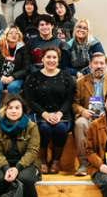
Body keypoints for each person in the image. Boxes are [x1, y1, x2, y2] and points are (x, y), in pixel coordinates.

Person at [23, 46, 75, 174]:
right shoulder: (33, 77)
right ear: (42, 59)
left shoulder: (67, 76)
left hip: (61, 113)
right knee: (44, 129)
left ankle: (56, 160)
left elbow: (69, 100)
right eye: (48, 57)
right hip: (39, 114)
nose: (51, 60)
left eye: (54, 57)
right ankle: (42, 160)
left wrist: (59, 114)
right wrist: (45, 114)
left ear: (58, 59)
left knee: (60, 129)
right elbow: (29, 101)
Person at [0, 26, 32, 121]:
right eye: (11, 33)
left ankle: (14, 116)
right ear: (6, 35)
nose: (14, 35)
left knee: (14, 87)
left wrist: (13, 77)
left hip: (15, 78)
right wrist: (0, 76)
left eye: (16, 33)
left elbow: (26, 68)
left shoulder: (23, 49)